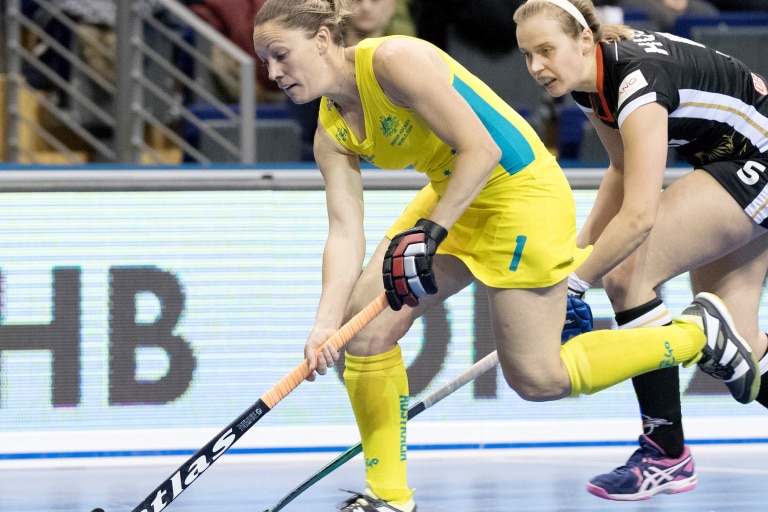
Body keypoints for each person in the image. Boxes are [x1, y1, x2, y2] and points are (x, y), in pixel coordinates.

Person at [253, 0, 759, 510]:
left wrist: (437, 234)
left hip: (518, 195)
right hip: (455, 196)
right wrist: (323, 324)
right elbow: (344, 232)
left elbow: (483, 150)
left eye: (280, 54)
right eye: (265, 62)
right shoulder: (329, 132)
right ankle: (389, 497)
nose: (273, 73)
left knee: (540, 378)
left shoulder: (393, 60)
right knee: (362, 332)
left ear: (321, 39)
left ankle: (697, 336)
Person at [514, 0, 768, 502]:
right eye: (526, 56)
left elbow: (639, 216)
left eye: (546, 50)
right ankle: (667, 450)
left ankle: (665, 453)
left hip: (754, 161)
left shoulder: (636, 82)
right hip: (731, 162)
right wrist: (575, 255)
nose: (537, 67)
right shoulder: (592, 81)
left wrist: (576, 282)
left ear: (584, 41)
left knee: (626, 273)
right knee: (739, 347)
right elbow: (623, 171)